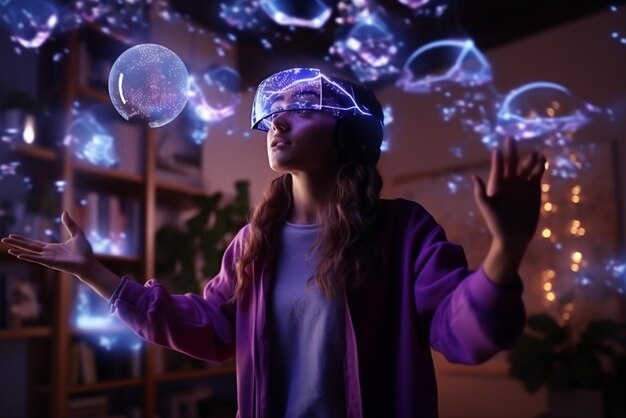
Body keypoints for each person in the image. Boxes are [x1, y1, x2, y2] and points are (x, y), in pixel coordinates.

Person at [2, 67, 546, 418]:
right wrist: (93, 273)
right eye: (274, 111)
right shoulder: (251, 244)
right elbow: (209, 329)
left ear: (350, 134)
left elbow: (463, 334)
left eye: (305, 108)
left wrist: (508, 245)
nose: (277, 121)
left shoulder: (404, 231)